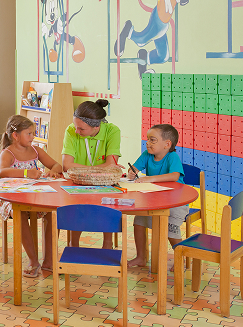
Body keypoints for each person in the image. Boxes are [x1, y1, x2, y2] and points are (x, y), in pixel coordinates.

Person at [0, 115, 63, 277]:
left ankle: (49, 261)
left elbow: (56, 165)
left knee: (53, 212)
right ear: (15, 135)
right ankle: (33, 261)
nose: (33, 137)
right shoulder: (7, 153)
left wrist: (53, 171)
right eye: (29, 133)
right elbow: (2, 171)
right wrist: (26, 173)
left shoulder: (36, 151)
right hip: (11, 198)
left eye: (33, 133)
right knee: (19, 213)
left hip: (34, 196)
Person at [61, 99, 122, 249]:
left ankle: (107, 244)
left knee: (108, 205)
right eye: (75, 126)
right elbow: (66, 165)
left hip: (104, 182)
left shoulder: (113, 131)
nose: (76, 131)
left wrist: (83, 169)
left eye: (81, 129)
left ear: (96, 126)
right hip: (78, 182)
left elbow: (111, 164)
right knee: (77, 207)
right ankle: (73, 244)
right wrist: (102, 168)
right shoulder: (71, 130)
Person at [127, 124, 187, 268]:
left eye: (152, 140)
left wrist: (150, 178)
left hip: (176, 202)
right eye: (147, 139)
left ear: (167, 144)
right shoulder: (147, 155)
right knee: (138, 222)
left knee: (171, 229)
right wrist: (132, 171)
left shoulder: (172, 157)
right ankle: (141, 257)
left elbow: (174, 176)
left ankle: (181, 259)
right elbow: (134, 168)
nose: (147, 143)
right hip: (154, 201)